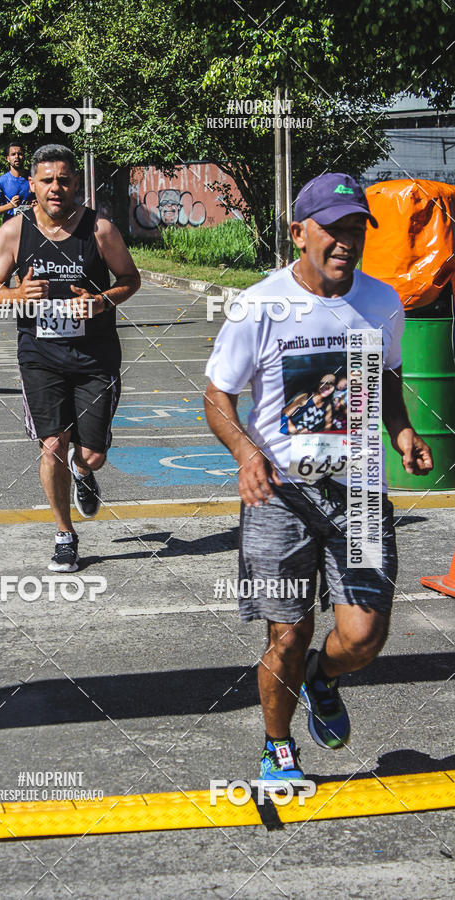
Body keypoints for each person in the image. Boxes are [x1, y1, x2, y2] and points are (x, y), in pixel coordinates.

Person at [205, 172, 433, 788]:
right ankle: (277, 750)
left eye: (357, 229)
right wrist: (246, 453)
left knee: (362, 636)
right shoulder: (260, 304)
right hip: (280, 493)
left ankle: (322, 677)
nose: (345, 241)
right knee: (288, 631)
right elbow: (219, 395)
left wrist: (403, 432)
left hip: (358, 493)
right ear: (300, 231)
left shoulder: (383, 303)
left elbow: (383, 375)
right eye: (333, 229)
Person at [0, 143, 140, 571]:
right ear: (32, 184)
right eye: (47, 180)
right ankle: (64, 534)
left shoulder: (100, 230)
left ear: (76, 183)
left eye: (64, 180)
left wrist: (103, 301)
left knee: (91, 455)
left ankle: (85, 474)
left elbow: (130, 278)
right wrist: (16, 294)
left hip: (96, 357)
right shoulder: (14, 231)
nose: (56, 188)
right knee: (52, 445)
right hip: (40, 355)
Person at [0, 143, 34, 225]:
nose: (17, 157)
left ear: (24, 157)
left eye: (19, 154)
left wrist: (38, 205)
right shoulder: (0, 182)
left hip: (31, 229)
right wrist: (10, 205)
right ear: (8, 158)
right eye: (13, 154)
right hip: (11, 230)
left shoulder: (34, 179)